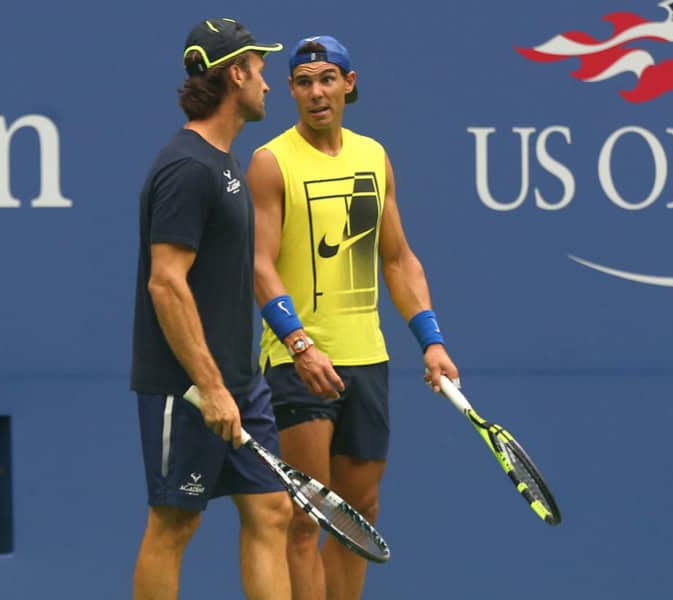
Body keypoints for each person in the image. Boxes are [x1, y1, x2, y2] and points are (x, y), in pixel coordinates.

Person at [246, 35, 460, 600]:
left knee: (359, 513)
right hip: (299, 362)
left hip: (368, 359)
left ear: (349, 83)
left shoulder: (374, 156)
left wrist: (431, 341)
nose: (316, 93)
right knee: (309, 515)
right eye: (303, 82)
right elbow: (260, 267)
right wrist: (298, 344)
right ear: (291, 90)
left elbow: (397, 258)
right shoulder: (270, 163)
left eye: (326, 79)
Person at [130, 18, 292, 600]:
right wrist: (211, 384)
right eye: (261, 70)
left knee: (271, 510)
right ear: (236, 73)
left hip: (239, 382)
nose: (269, 84)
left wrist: (234, 382)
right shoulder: (187, 167)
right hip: (189, 387)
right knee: (175, 524)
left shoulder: (223, 164)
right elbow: (166, 284)